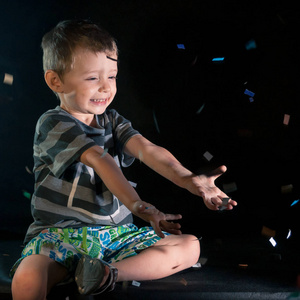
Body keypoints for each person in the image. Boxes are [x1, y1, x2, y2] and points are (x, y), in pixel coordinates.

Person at [10, 19, 237, 300]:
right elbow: (100, 159)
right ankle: (76, 268)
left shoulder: (112, 121)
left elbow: (147, 149)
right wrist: (139, 206)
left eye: (112, 76)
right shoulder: (53, 123)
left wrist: (189, 179)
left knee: (190, 247)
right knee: (31, 273)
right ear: (56, 80)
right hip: (62, 236)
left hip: (116, 237)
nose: (106, 88)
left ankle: (106, 273)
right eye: (93, 78)